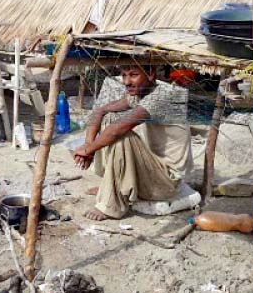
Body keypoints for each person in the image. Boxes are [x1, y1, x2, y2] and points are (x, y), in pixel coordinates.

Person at [72, 64, 194, 220]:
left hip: (167, 182)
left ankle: (111, 206)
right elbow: (101, 111)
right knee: (109, 118)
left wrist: (87, 150)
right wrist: (88, 146)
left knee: (120, 135)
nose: (127, 81)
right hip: (155, 169)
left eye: (133, 74)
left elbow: (119, 129)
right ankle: (110, 185)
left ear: (151, 74)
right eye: (124, 75)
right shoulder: (139, 92)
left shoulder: (164, 95)